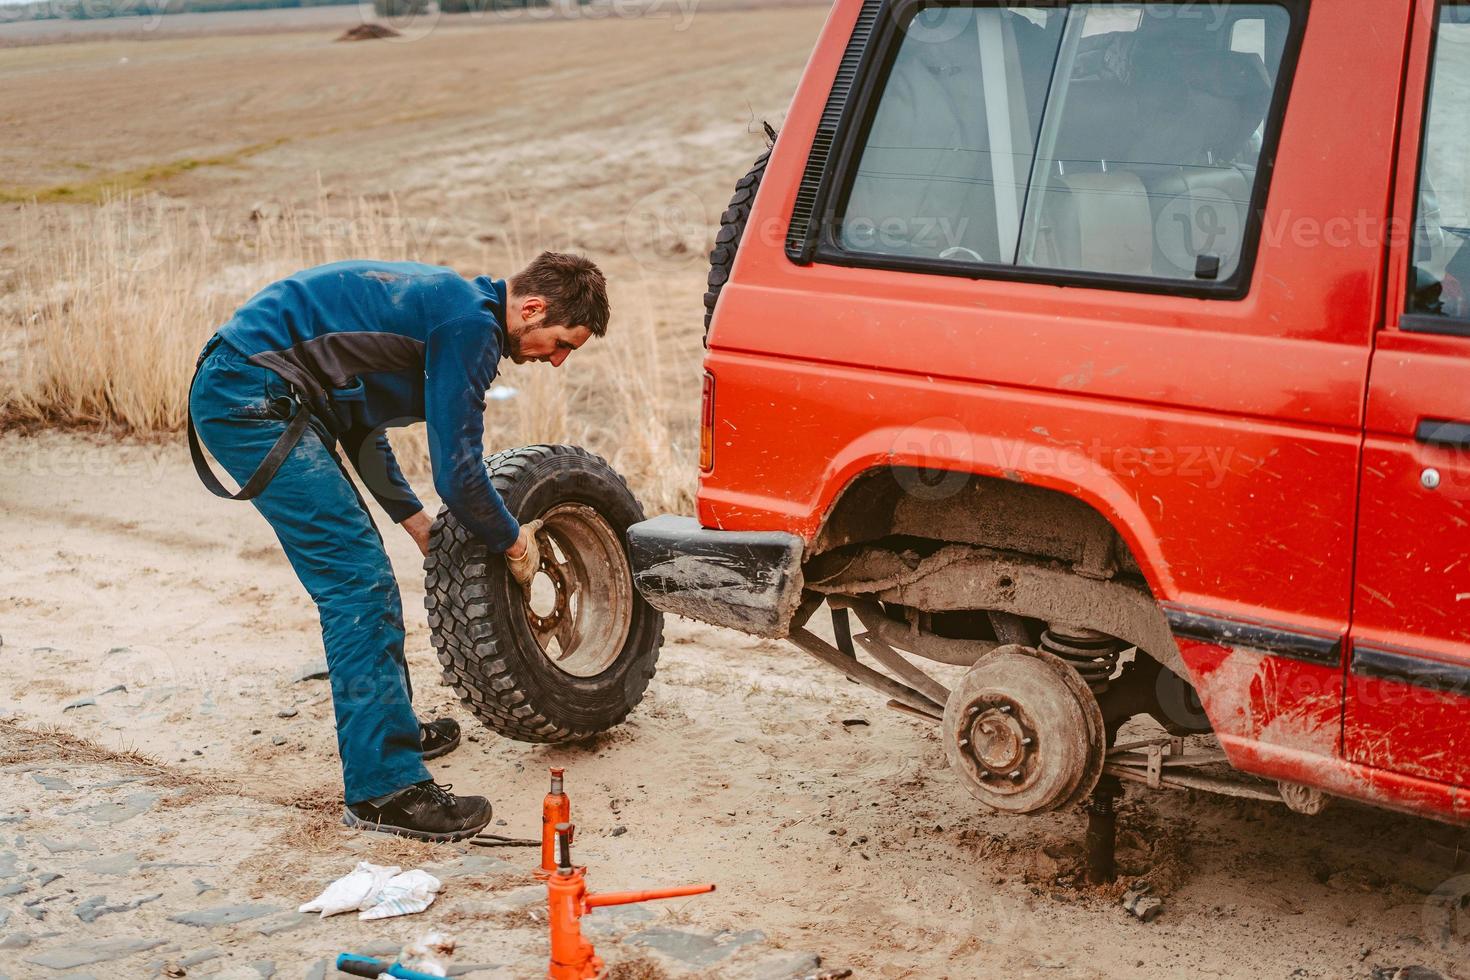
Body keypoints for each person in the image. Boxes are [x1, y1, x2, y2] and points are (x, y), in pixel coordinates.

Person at [187, 252, 609, 841]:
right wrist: (514, 543)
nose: (558, 360)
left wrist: (415, 523)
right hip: (249, 396)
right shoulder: (470, 324)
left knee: (363, 576)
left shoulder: (454, 310)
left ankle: (391, 732)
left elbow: (359, 423)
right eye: (562, 342)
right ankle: (385, 790)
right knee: (357, 584)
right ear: (532, 309)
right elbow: (459, 472)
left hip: (261, 387)